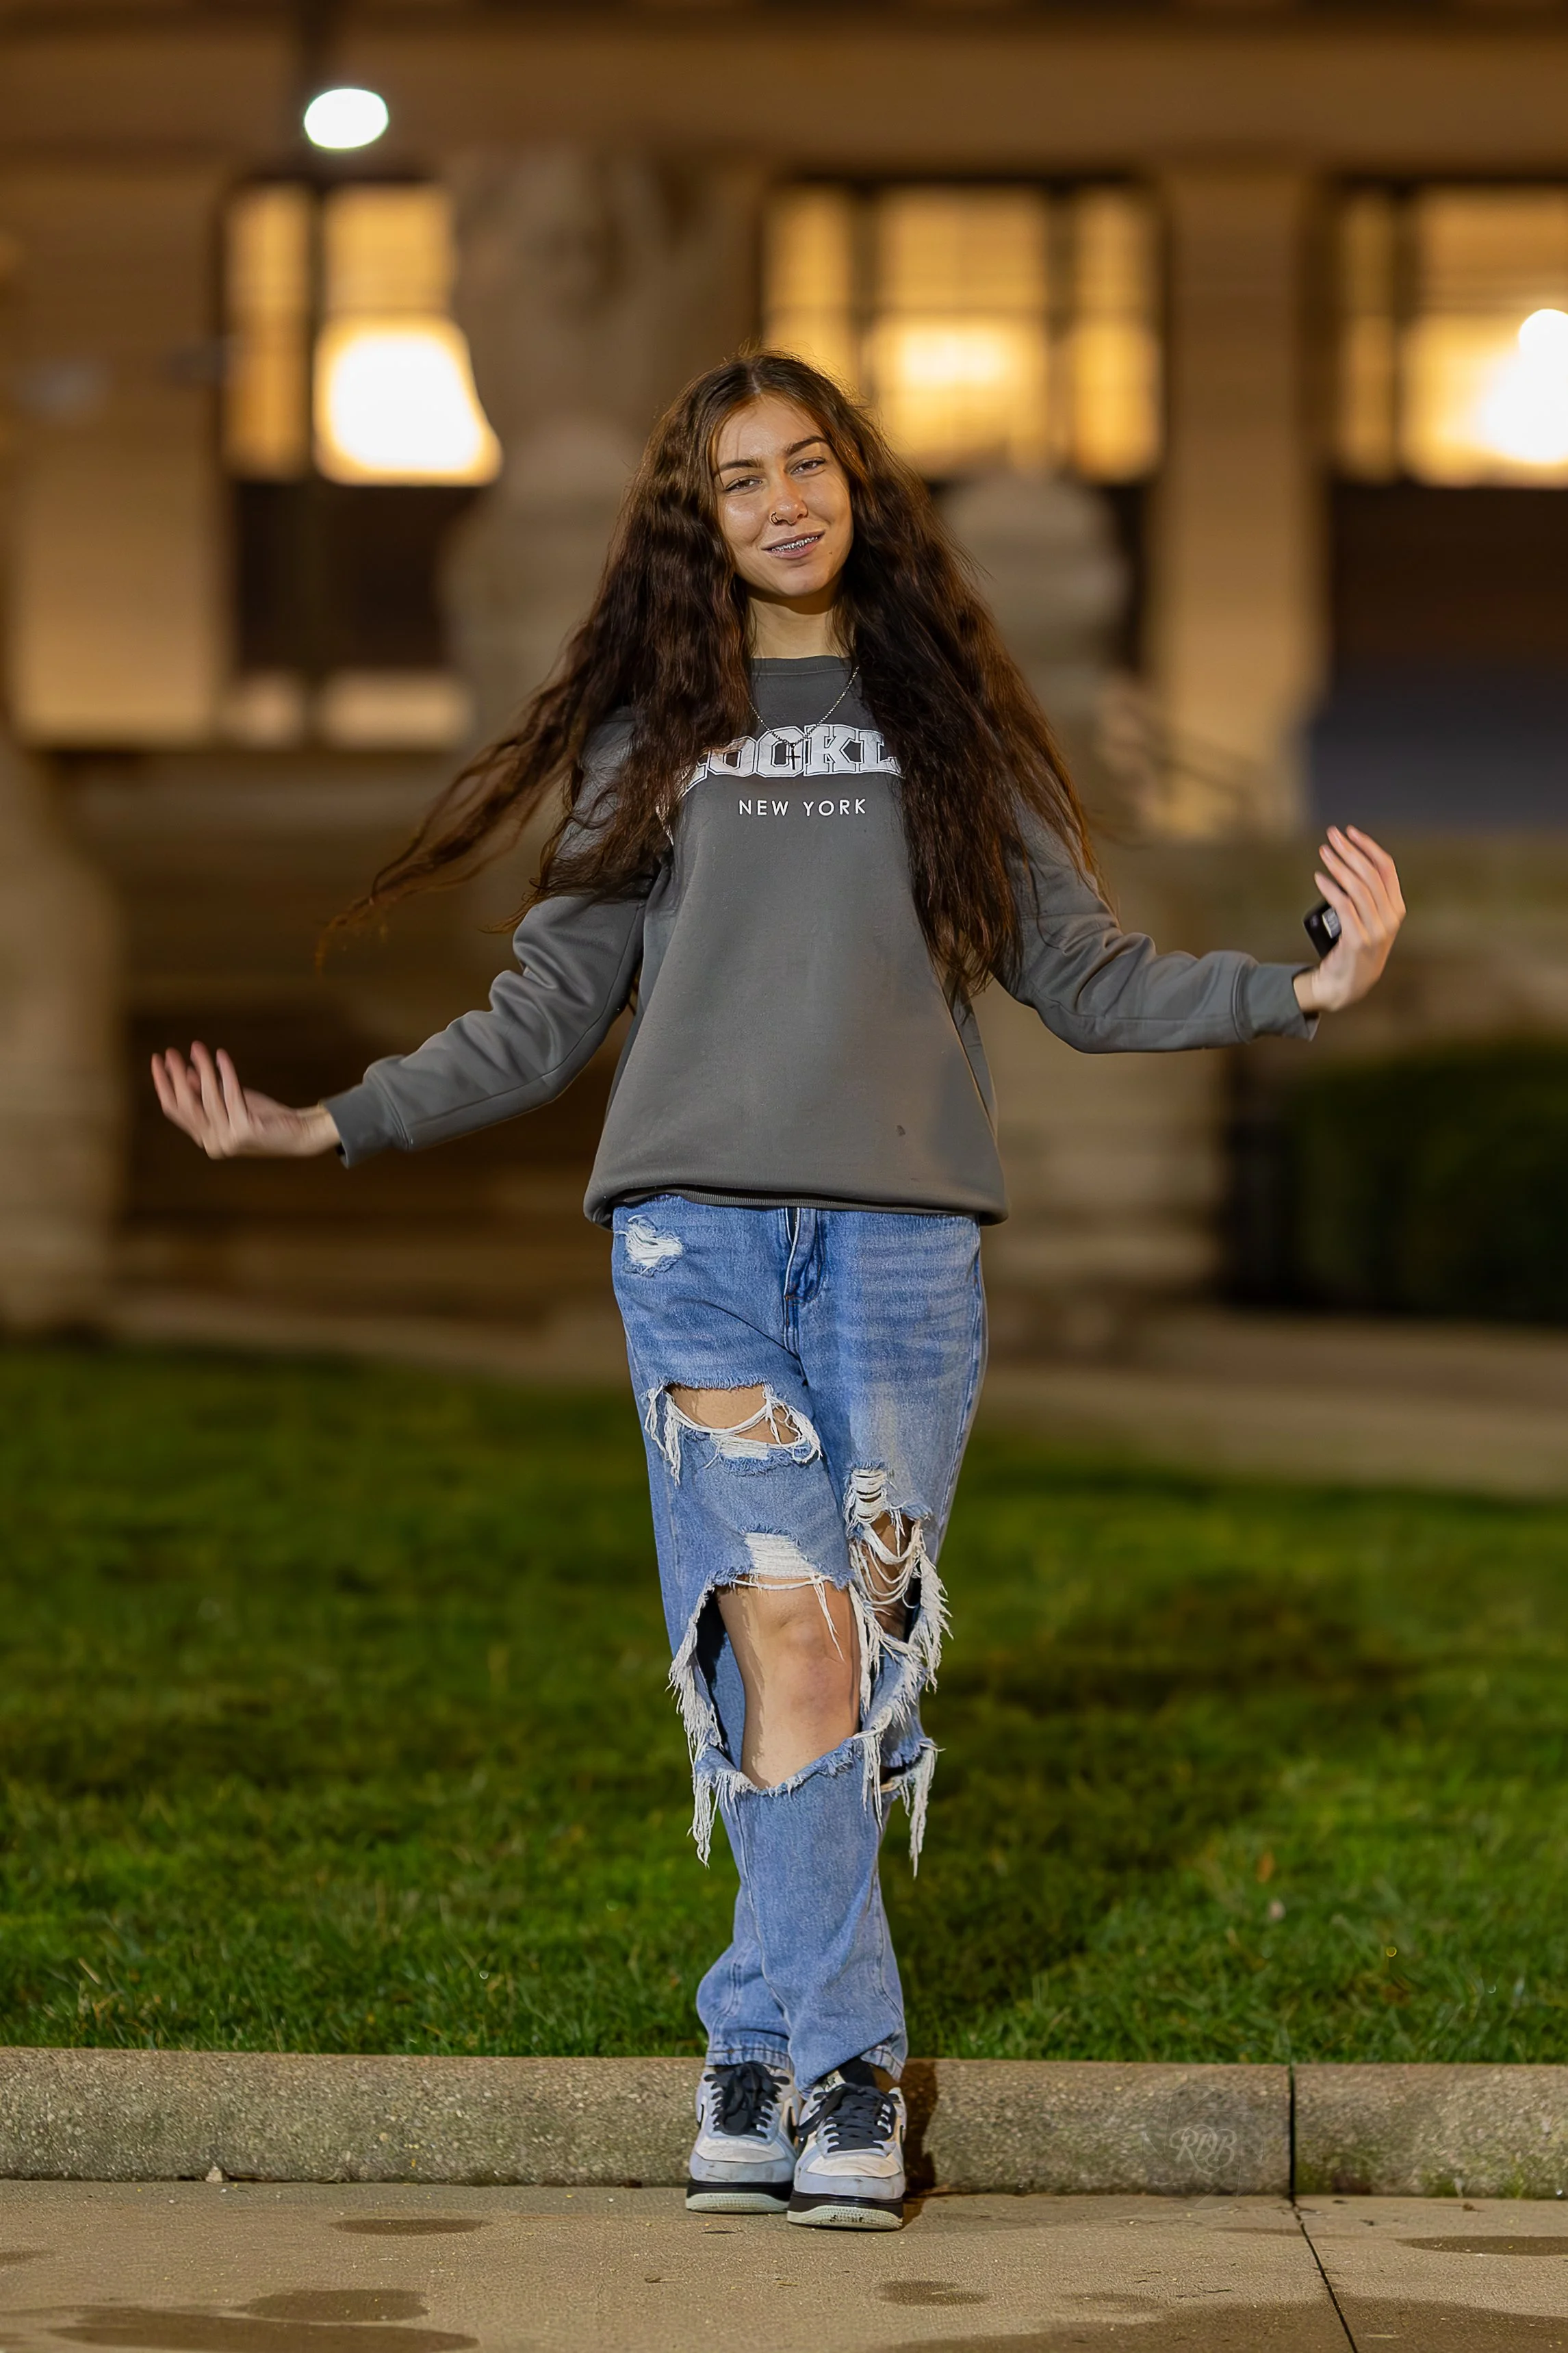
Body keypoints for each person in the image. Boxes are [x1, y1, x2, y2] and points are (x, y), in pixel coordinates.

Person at [153, 351, 1406, 2233]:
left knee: (846, 1668)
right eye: (740, 481)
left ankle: (746, 2039)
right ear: (701, 523)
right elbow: (546, 1012)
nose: (784, 503)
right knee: (794, 1642)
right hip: (697, 1242)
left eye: (807, 465)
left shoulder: (951, 722)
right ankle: (848, 2078)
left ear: (858, 485)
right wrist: (327, 1125)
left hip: (904, 1252)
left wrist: (1299, 988)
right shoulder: (659, 732)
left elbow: (1086, 977)